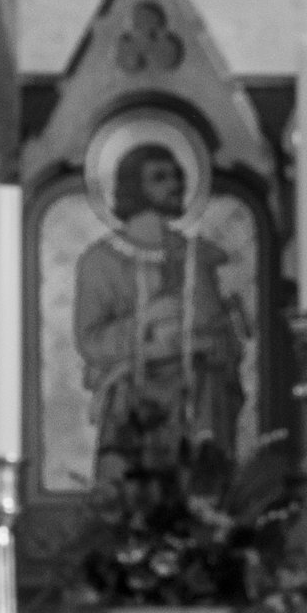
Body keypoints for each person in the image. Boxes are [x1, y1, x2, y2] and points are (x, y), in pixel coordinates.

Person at [71, 144, 248, 475]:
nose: (175, 184)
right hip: (133, 393)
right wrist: (145, 322)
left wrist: (218, 334)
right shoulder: (101, 261)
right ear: (133, 186)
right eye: (160, 177)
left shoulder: (199, 255)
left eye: (177, 176)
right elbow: (91, 341)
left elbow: (218, 331)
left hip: (198, 394)